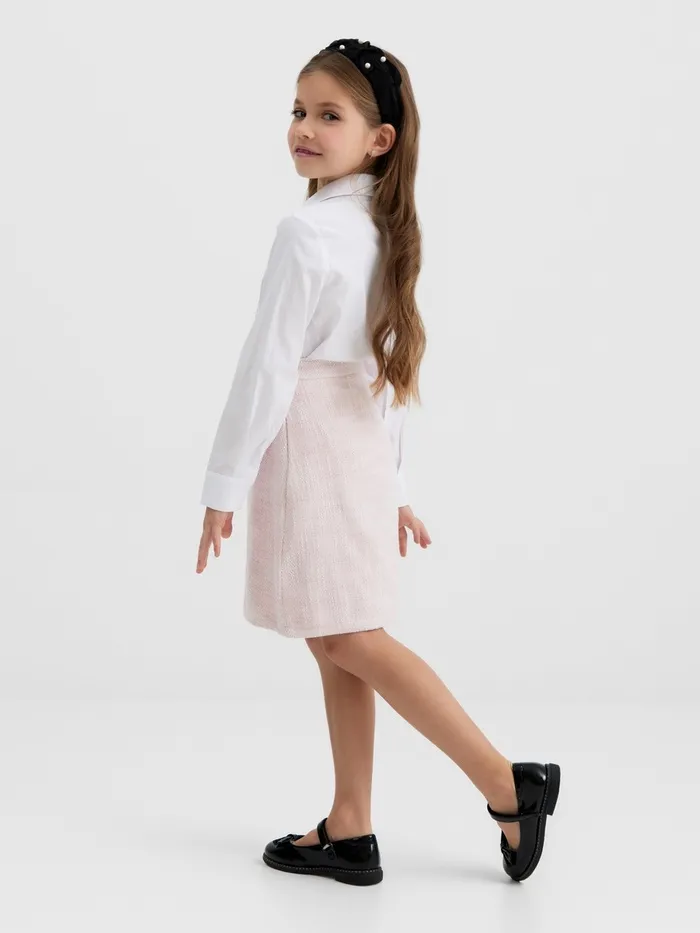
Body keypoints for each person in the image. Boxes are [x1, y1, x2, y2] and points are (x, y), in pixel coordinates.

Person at [196, 38, 560, 886]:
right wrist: (392, 485)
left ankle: (507, 782)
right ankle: (351, 822)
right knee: (335, 637)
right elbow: (385, 374)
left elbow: (267, 370)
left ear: (380, 138)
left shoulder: (308, 231)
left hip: (314, 446)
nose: (305, 128)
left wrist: (224, 482)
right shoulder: (380, 230)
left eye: (329, 114)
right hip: (354, 446)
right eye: (298, 110)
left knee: (349, 634)